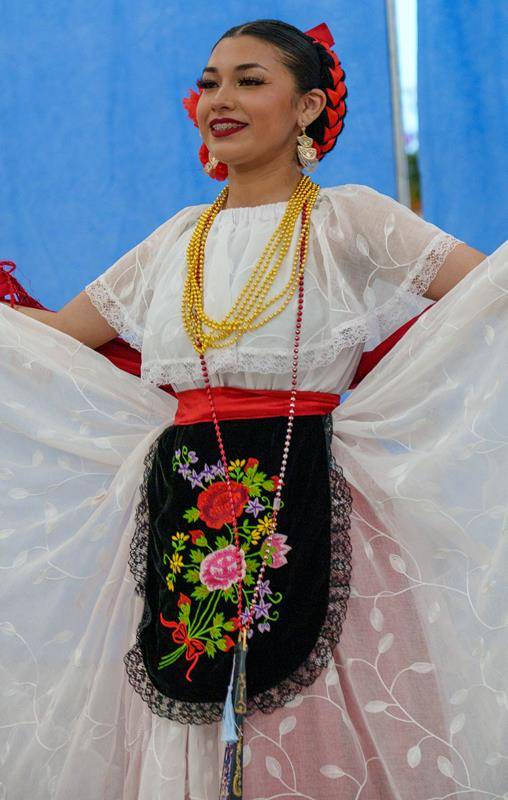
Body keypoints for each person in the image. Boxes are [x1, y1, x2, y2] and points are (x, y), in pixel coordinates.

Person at [1, 16, 506, 800]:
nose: (219, 99)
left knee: (326, 709)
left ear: (307, 108)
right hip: (181, 499)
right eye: (209, 83)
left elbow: (488, 297)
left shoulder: (350, 217)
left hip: (314, 494)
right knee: (182, 704)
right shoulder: (177, 239)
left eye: (249, 80)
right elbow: (64, 336)